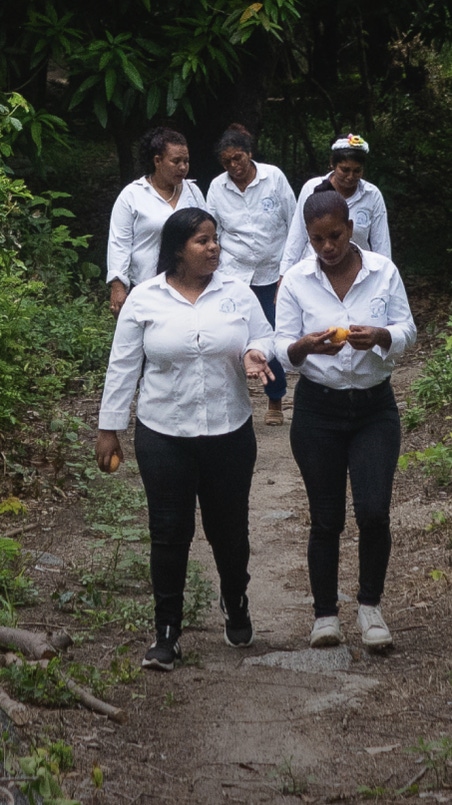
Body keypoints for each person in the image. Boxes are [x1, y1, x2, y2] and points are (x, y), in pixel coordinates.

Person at [96, 207, 275, 671]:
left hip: (229, 431)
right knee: (169, 533)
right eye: (202, 240)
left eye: (215, 239)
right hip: (164, 433)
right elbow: (123, 366)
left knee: (228, 531)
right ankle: (167, 634)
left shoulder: (236, 293)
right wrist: (109, 428)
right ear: (177, 249)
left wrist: (257, 352)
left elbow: (266, 335)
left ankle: (235, 599)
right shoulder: (144, 299)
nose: (214, 247)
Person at [275, 191, 416, 649]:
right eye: (317, 239)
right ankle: (325, 615)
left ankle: (370, 608)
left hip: (374, 408)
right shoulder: (296, 280)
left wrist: (381, 335)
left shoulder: (382, 271)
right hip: (319, 409)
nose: (327, 247)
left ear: (350, 229)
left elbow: (407, 330)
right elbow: (283, 347)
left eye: (334, 236)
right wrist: (307, 346)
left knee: (373, 512)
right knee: (326, 517)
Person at [206, 123, 296, 425]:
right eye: (227, 161)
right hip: (234, 272)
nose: (234, 166)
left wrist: (290, 271)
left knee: (269, 334)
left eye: (238, 159)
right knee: (228, 336)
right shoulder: (218, 187)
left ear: (250, 154)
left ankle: (275, 398)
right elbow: (212, 231)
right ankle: (228, 400)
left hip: (272, 272)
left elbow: (294, 223)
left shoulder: (274, 178)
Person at [107, 126, 206, 317]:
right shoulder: (133, 195)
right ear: (158, 161)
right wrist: (118, 285)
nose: (183, 167)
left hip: (189, 289)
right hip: (146, 287)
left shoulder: (193, 192)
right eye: (176, 161)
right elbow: (119, 242)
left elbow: (207, 235)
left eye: (186, 161)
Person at [279, 133, 391, 277]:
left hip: (358, 274)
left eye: (357, 171)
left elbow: (381, 243)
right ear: (333, 164)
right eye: (345, 170)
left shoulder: (372, 195)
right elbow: (298, 235)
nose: (351, 176)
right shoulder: (312, 188)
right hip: (313, 272)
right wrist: (285, 274)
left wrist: (385, 277)